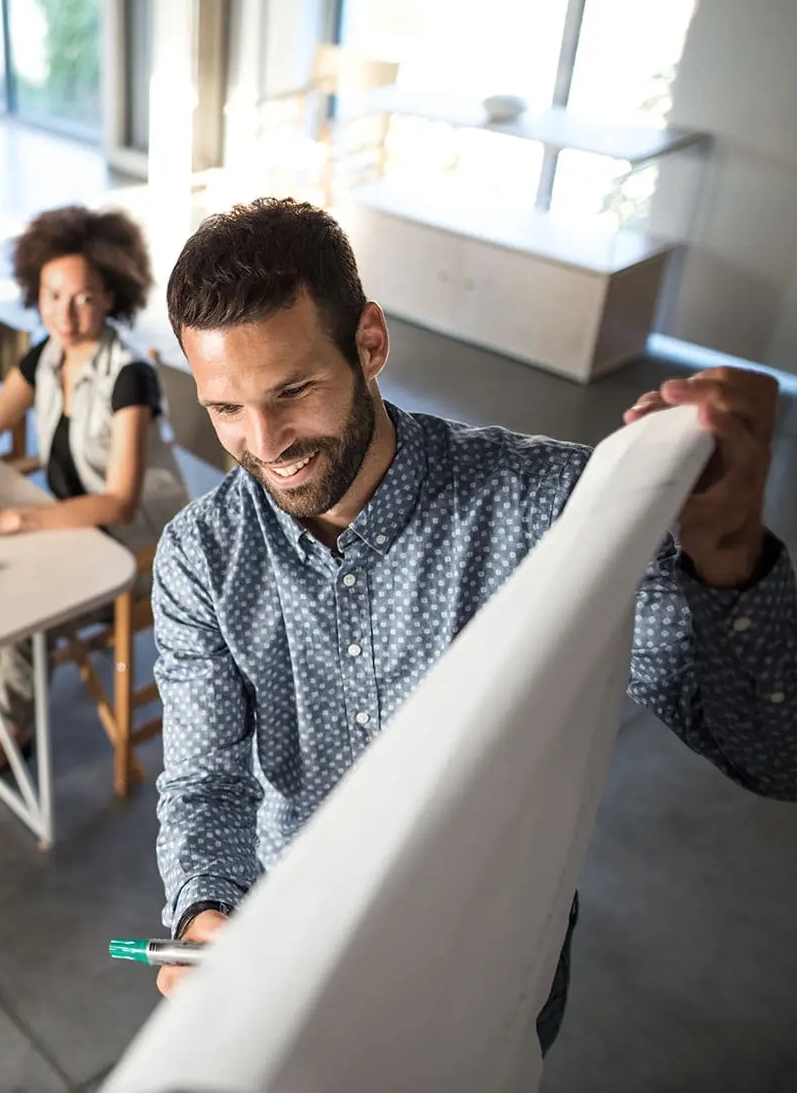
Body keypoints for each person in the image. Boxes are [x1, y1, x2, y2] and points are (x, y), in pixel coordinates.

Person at [150, 198, 797, 1050]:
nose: (265, 441)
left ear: (370, 342)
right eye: (226, 408)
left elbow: (775, 751)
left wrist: (730, 557)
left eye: (294, 390)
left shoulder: (551, 510)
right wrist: (204, 914)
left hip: (493, 971)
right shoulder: (200, 555)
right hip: (297, 963)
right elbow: (205, 786)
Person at [0, 206, 191, 785]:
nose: (64, 314)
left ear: (111, 295)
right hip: (78, 527)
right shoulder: (45, 354)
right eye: (51, 295)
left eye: (83, 297)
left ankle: (9, 730)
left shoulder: (129, 377)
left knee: (19, 594)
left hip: (137, 548)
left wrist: (8, 521)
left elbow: (119, 502)